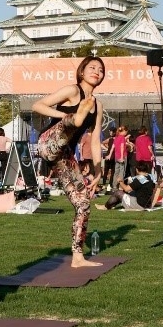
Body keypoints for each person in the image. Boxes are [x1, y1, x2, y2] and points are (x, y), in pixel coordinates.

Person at [33, 56, 105, 268]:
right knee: (73, 121)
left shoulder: (98, 105)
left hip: (64, 156)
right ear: (82, 71)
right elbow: (38, 105)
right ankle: (75, 118)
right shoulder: (73, 90)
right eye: (92, 67)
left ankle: (77, 257)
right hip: (48, 143)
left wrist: (98, 171)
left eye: (101, 70)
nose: (97, 71)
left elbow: (94, 141)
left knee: (83, 204)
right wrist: (66, 116)